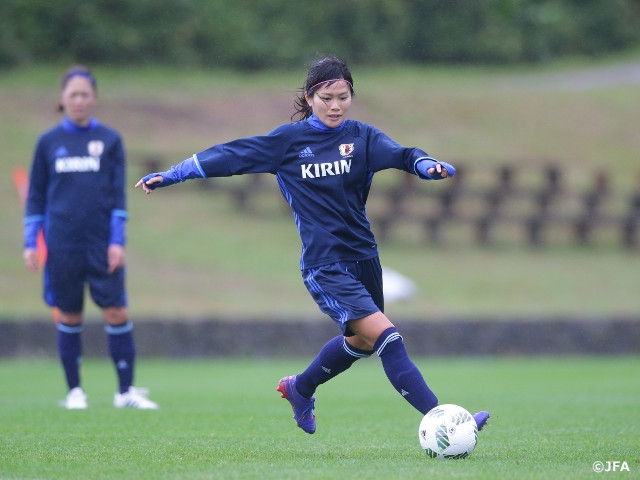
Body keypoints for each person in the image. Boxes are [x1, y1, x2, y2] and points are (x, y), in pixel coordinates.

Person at [135, 56, 488, 432]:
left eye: (343, 97)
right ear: (310, 97)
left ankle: (300, 388)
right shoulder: (288, 142)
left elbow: (402, 155)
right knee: (389, 337)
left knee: (363, 344)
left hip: (364, 257)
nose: (336, 105)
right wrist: (173, 174)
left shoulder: (361, 137)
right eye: (327, 97)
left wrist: (425, 165)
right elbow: (229, 156)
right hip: (325, 264)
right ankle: (446, 423)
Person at [23, 65, 158, 410]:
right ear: (63, 99)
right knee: (69, 316)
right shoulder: (48, 142)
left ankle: (125, 392)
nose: (79, 100)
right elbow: (36, 196)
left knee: (116, 312)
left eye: (85, 94)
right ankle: (75, 393)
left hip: (101, 245)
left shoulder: (110, 140)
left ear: (94, 99)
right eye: (73, 95)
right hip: (61, 245)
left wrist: (117, 241)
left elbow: (119, 196)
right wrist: (30, 242)